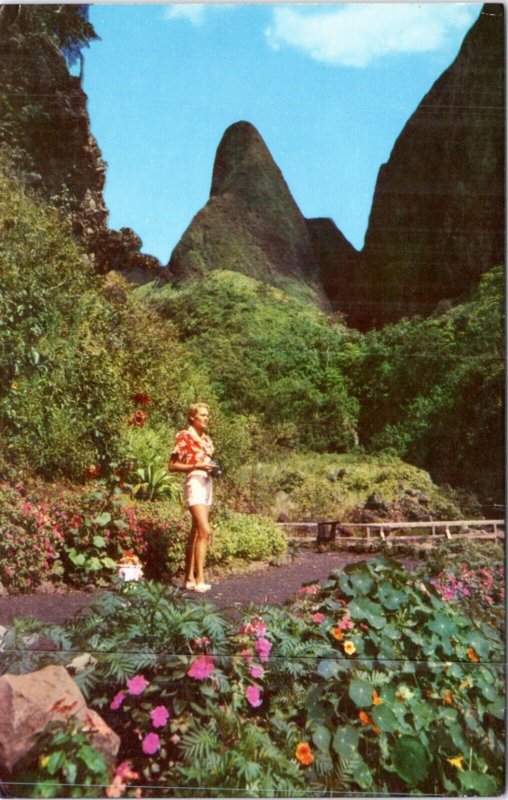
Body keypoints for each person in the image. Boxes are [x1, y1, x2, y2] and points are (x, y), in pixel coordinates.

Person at [169, 403, 215, 593]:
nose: (206, 418)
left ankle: (188, 578)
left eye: (207, 415)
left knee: (196, 532)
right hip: (194, 482)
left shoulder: (206, 439)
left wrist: (211, 468)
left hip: (207, 483)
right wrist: (196, 466)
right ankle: (200, 579)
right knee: (205, 531)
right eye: (202, 415)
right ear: (192, 418)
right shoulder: (185, 436)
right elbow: (172, 465)